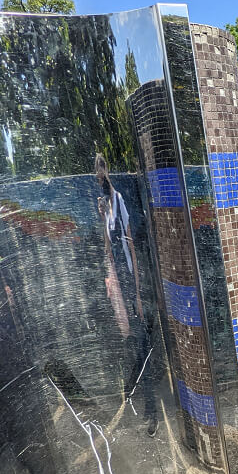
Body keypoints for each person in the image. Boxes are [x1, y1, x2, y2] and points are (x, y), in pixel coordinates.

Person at [95, 153, 159, 435]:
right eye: (97, 174)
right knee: (133, 346)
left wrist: (136, 294)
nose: (99, 179)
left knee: (143, 348)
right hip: (120, 288)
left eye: (101, 173)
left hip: (132, 287)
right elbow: (107, 249)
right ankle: (140, 402)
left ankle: (152, 411)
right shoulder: (106, 207)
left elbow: (130, 246)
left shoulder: (118, 200)